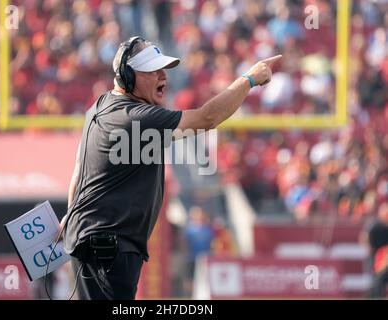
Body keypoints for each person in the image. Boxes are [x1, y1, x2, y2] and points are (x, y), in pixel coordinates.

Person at [62, 36, 281, 300]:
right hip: (108, 247)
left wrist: (71, 213)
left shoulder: (100, 106)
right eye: (153, 70)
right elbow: (207, 117)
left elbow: (79, 168)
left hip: (99, 243)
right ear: (128, 76)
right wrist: (249, 79)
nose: (163, 76)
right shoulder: (137, 117)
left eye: (163, 69)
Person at [361, 203, 388, 298]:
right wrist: (368, 247)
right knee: (377, 280)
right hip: (376, 255)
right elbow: (365, 237)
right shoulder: (374, 225)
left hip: (385, 256)